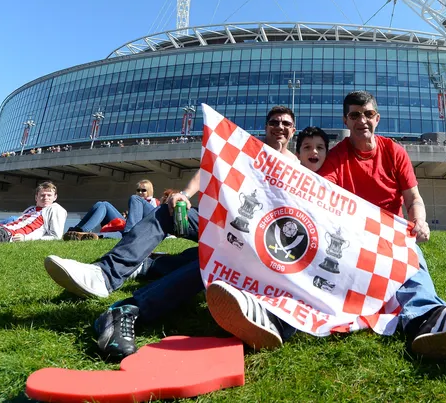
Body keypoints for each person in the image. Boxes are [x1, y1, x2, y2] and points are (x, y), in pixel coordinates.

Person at [206, 91, 446, 359]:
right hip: (349, 239)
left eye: (367, 114)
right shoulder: (337, 157)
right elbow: (319, 198)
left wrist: (419, 219)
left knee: (410, 258)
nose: (361, 120)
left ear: (377, 118)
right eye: (354, 115)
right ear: (346, 121)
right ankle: (272, 317)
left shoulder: (395, 152)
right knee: (312, 268)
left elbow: (413, 197)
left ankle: (428, 320)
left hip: (389, 239)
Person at [44, 106, 312, 360]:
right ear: (265, 126)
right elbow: (209, 170)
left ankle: (141, 286)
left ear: (293, 130)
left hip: (255, 242)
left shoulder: (298, 169)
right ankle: (105, 274)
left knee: (211, 259)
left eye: (286, 124)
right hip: (222, 224)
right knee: (169, 211)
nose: (280, 127)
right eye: (274, 122)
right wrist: (183, 195)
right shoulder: (247, 150)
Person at [64, 179, 160, 240]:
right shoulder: (136, 202)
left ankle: (83, 232)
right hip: (127, 224)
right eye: (138, 190)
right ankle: (78, 229)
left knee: (132, 198)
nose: (140, 192)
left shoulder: (153, 201)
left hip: (136, 228)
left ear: (149, 191)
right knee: (102, 204)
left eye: (143, 190)